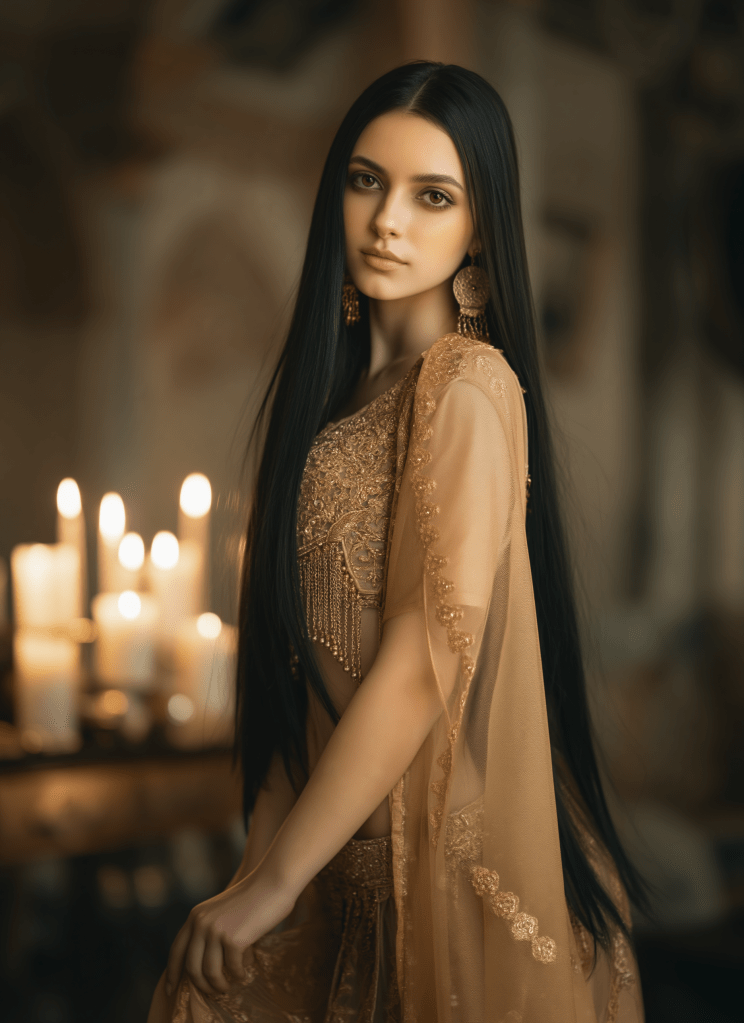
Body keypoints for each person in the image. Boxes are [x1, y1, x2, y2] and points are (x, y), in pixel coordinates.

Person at [148, 61, 647, 1023]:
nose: (388, 221)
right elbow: (298, 681)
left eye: (434, 196)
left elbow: (426, 652)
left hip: (454, 879)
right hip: (345, 877)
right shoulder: (328, 408)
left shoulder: (468, 385)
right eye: (367, 180)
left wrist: (271, 883)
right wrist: (261, 871)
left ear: (479, 229)